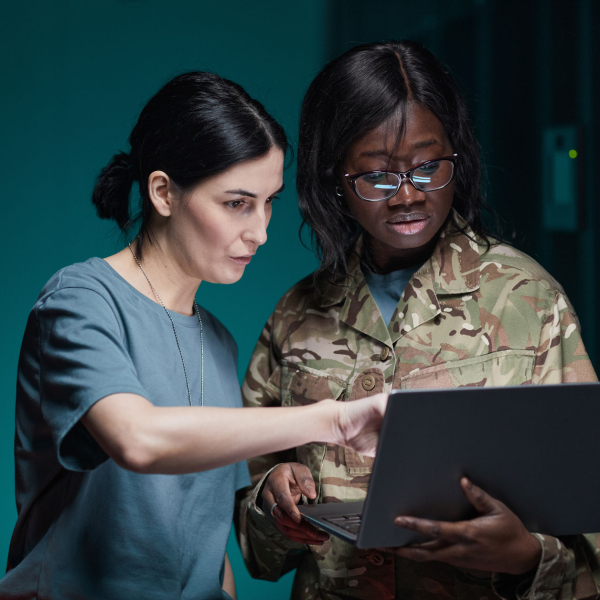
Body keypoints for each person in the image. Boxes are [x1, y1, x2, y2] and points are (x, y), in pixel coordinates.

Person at [0, 72, 389, 600]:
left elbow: (204, 539)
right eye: (236, 203)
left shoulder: (219, 341)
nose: (261, 231)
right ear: (163, 192)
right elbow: (138, 438)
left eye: (269, 201)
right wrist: (337, 420)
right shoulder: (79, 300)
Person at [237, 41, 599, 600]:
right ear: (337, 178)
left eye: (428, 167)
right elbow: (256, 553)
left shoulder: (525, 300)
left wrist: (526, 558)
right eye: (378, 177)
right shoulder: (296, 319)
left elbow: (590, 529)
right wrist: (271, 503)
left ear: (458, 155)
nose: (407, 196)